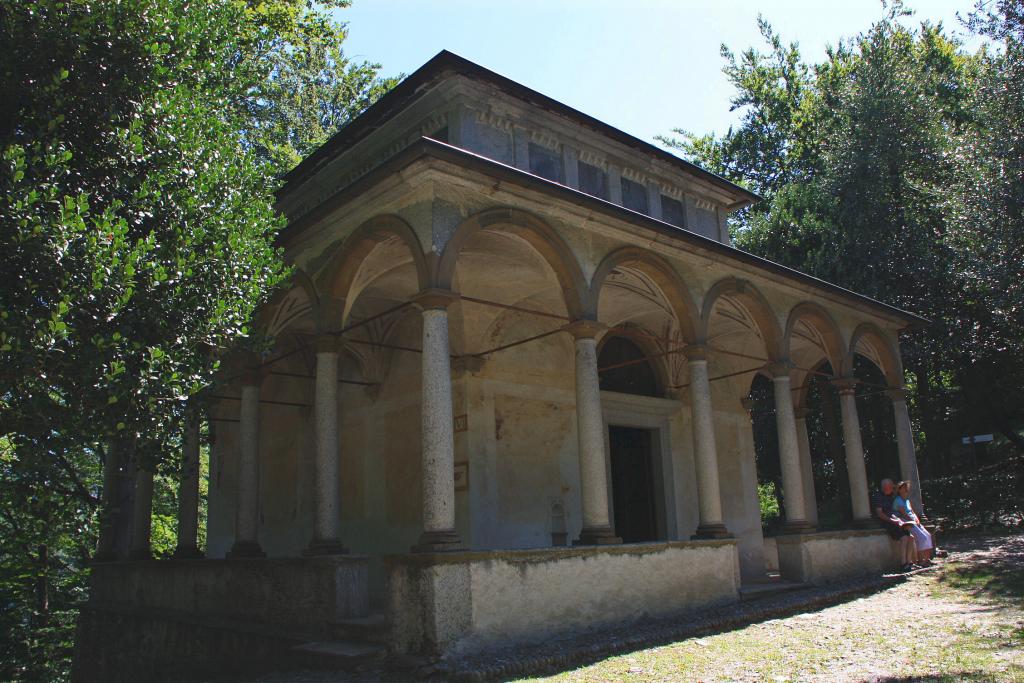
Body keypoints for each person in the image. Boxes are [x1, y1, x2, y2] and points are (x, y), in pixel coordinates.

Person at [872, 478, 916, 572]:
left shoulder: (894, 495)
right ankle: (903, 563)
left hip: (898, 520)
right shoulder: (878, 496)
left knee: (911, 537)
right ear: (884, 487)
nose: (891, 488)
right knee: (904, 538)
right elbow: (880, 513)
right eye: (889, 487)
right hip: (887, 521)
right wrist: (892, 520)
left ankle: (909, 561)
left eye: (891, 487)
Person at [893, 480, 933, 565]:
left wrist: (917, 520)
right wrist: (913, 521)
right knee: (921, 537)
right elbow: (904, 514)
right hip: (907, 521)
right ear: (899, 490)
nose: (906, 489)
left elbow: (912, 511)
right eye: (903, 488)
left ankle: (927, 559)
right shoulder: (898, 500)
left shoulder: (907, 500)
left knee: (928, 535)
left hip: (914, 520)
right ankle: (920, 560)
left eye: (906, 488)